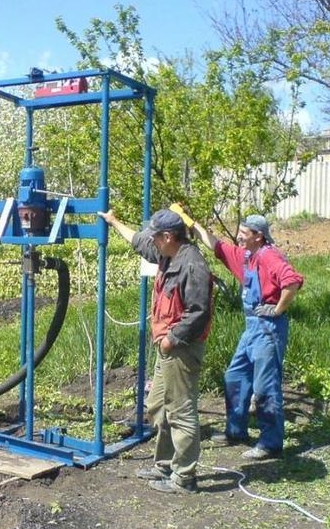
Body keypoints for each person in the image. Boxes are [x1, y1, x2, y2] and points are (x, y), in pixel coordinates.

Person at [98, 208, 213, 494]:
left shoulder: (192, 265)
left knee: (180, 410)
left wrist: (171, 338)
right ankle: (164, 464)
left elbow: (198, 312)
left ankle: (184, 478)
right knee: (159, 405)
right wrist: (113, 221)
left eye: (156, 237)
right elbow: (138, 241)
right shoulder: (167, 253)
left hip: (181, 348)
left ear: (168, 236)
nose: (153, 242)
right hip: (168, 346)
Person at [185, 211, 303, 460]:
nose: (239, 236)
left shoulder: (269, 256)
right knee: (235, 376)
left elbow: (291, 281)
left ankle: (270, 443)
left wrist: (278, 308)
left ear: (259, 236)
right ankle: (236, 431)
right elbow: (216, 245)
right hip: (251, 328)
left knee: (264, 386)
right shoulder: (247, 256)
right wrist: (189, 222)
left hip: (268, 329)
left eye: (244, 233)